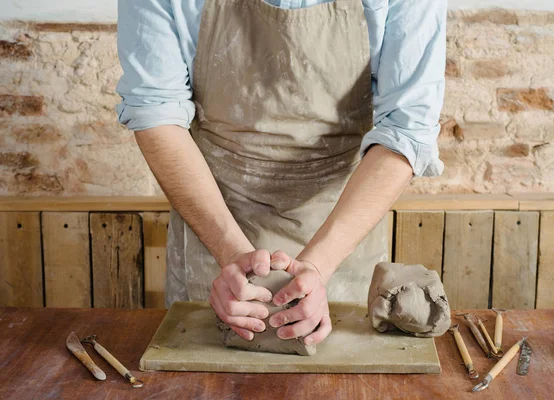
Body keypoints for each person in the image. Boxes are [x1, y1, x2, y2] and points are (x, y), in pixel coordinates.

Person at [116, 0, 446, 346]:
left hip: (342, 238)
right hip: (216, 232)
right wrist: (231, 255)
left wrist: (318, 267)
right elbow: (156, 113)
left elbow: (406, 130)